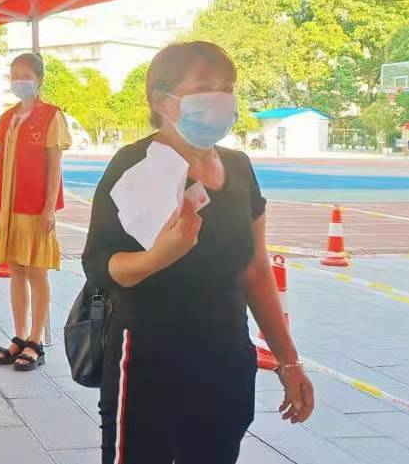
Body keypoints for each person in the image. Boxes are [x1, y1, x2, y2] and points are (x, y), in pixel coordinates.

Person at [83, 42, 314, 464]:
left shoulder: (239, 167)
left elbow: (256, 269)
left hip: (226, 358)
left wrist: (288, 360)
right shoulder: (134, 165)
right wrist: (158, 256)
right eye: (205, 86)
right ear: (162, 100)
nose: (220, 98)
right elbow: (99, 266)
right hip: (149, 360)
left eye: (227, 87)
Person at [0, 52, 70, 371]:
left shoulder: (51, 116)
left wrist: (49, 209)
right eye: (14, 75)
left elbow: (54, 167)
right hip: (8, 208)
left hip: (35, 209)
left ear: (39, 80)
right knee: (16, 270)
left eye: (26, 75)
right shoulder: (8, 118)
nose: (19, 81)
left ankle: (36, 341)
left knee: (36, 272)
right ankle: (19, 336)